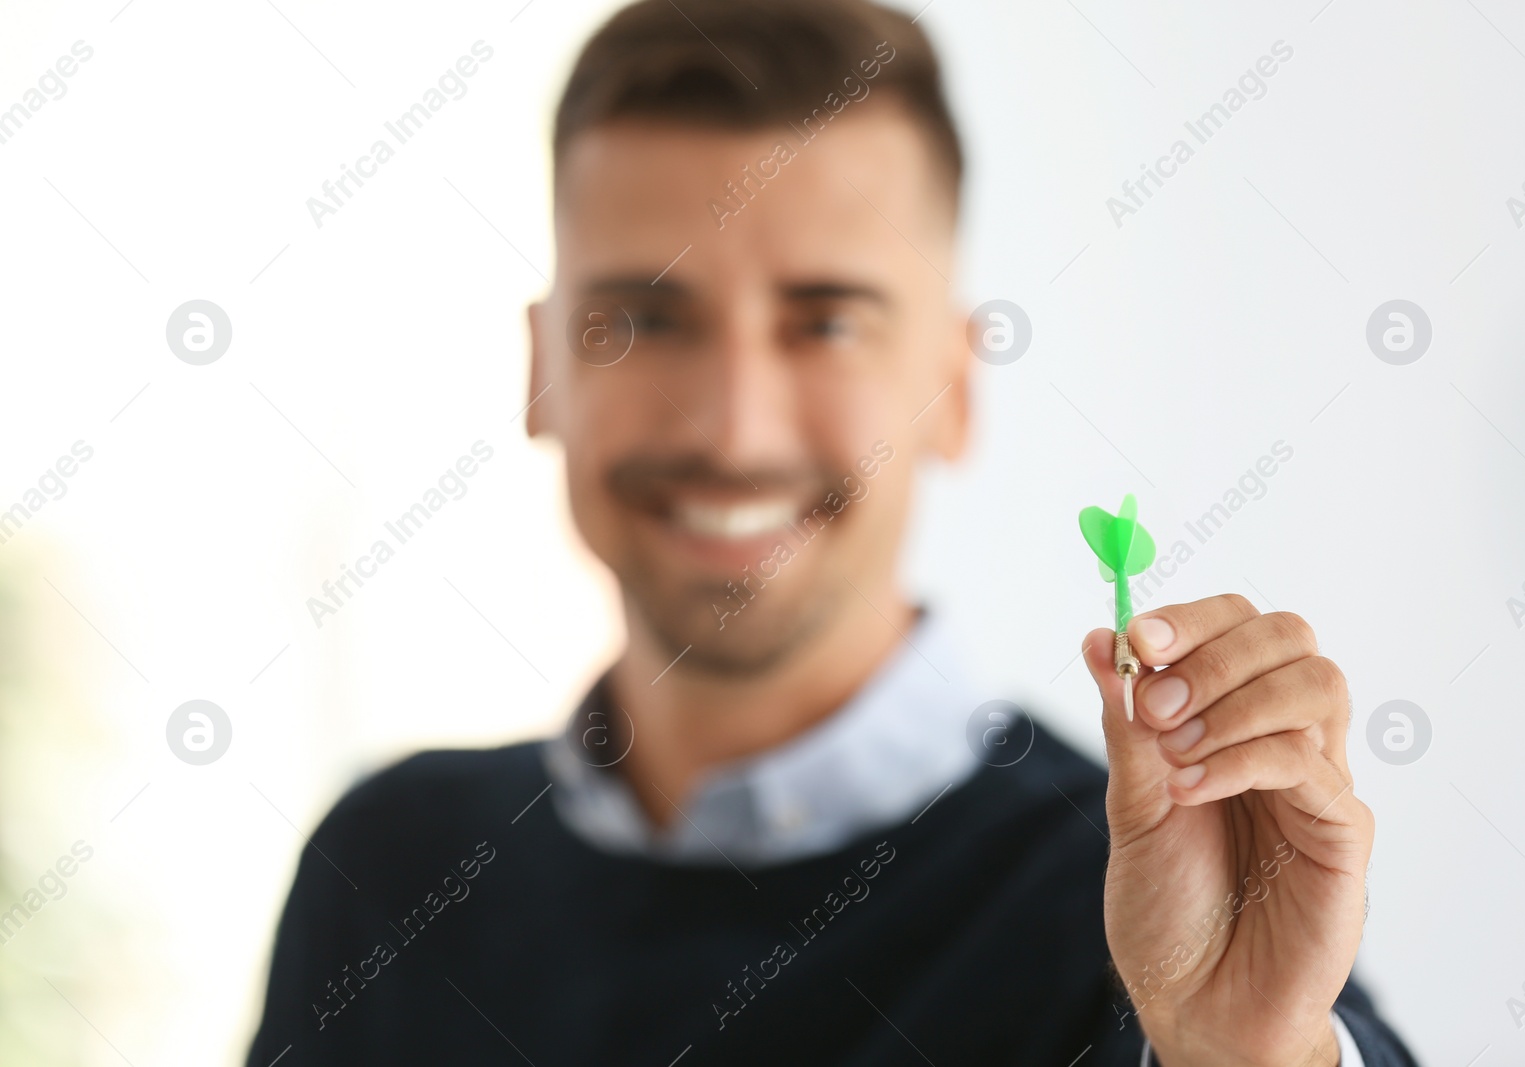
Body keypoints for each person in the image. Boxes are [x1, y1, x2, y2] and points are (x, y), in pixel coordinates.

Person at [246, 1, 1419, 1063]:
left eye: (824, 323)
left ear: (955, 387)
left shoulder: (1141, 897)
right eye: (646, 318)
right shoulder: (389, 870)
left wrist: (1242, 1057)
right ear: (542, 370)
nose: (732, 425)